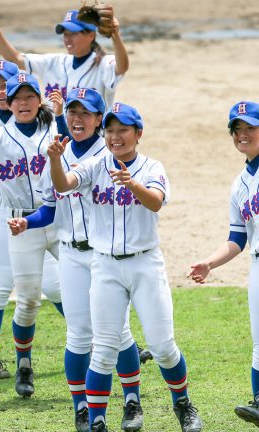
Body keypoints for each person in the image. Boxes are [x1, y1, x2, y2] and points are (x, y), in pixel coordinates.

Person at [49, 102, 203, 432]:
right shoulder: (93, 165)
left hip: (145, 264)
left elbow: (156, 202)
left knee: (162, 346)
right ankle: (98, 422)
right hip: (104, 266)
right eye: (110, 130)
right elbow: (63, 185)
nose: (116, 137)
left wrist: (132, 184)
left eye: (123, 130)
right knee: (103, 350)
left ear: (138, 134)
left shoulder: (152, 167)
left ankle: (183, 404)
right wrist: (53, 160)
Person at [9, 88, 144, 432]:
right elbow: (50, 209)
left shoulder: (113, 153)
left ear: (100, 120)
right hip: (69, 254)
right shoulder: (55, 153)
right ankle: (82, 408)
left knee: (119, 332)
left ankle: (132, 400)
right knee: (78, 335)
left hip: (104, 255)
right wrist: (28, 221)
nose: (77, 119)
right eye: (72, 112)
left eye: (86, 114)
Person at [0, 72, 62, 397]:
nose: (23, 103)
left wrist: (63, 117)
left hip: (57, 217)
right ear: (8, 103)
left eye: (29, 97)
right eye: (17, 98)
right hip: (18, 221)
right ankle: (18, 362)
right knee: (26, 299)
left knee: (76, 284)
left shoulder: (52, 129)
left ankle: (115, 345)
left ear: (39, 101)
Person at [189, 101, 259, 427]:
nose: (243, 135)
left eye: (250, 127)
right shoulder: (240, 184)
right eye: (237, 129)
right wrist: (210, 262)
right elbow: (238, 238)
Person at [0, 6, 129, 107]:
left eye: (73, 33)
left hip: (94, 143)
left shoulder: (103, 63)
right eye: (65, 34)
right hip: (56, 141)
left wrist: (115, 35)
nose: (67, 38)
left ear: (91, 35)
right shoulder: (54, 61)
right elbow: (15, 59)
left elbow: (122, 67)